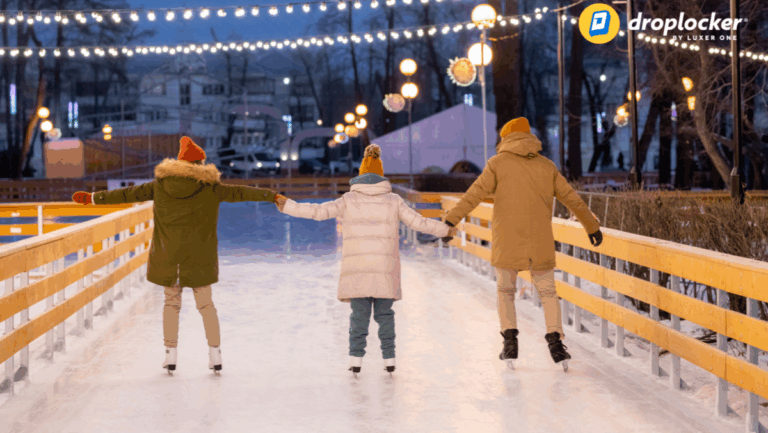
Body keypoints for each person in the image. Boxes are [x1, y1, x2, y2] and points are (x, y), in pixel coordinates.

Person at [72, 136, 281, 375]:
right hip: (200, 257)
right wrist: (271, 195)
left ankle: (170, 356)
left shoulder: (159, 186)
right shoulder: (211, 188)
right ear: (201, 164)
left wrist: (92, 198)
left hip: (168, 256)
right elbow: (242, 193)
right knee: (206, 305)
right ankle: (215, 354)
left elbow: (126, 194)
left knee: (171, 304)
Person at [275, 144, 457, 375]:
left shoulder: (348, 200)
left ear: (360, 176)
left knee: (359, 317)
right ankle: (389, 359)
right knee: (385, 316)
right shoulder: (393, 201)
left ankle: (355, 360)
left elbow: (317, 212)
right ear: (381, 177)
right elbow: (419, 223)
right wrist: (445, 230)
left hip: (357, 269)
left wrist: (288, 205)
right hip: (384, 268)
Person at [443, 117, 602, 371]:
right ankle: (556, 342)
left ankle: (509, 342)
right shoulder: (546, 166)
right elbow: (571, 198)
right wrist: (591, 227)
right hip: (540, 242)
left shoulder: (497, 164)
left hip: (507, 241)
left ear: (506, 139)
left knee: (505, 292)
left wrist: (450, 220)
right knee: (548, 293)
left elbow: (474, 195)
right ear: (530, 138)